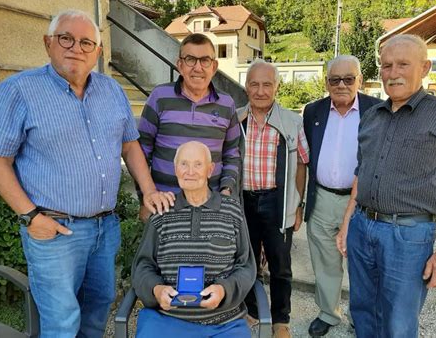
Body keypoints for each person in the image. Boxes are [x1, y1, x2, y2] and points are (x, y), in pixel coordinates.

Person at [0, 10, 160, 337]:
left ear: (98, 52)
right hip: (54, 231)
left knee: (98, 309)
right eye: (66, 39)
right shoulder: (19, 91)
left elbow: (130, 146)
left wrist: (149, 190)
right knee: (62, 323)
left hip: (105, 227)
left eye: (87, 42)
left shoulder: (112, 91)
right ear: (48, 43)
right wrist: (31, 217)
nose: (76, 48)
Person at [336, 34, 436, 337]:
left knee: (398, 321)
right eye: (386, 66)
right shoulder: (371, 116)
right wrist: (347, 223)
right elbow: (362, 172)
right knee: (363, 310)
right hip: (362, 227)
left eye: (402, 64)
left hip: (408, 236)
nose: (392, 72)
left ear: (424, 68)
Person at [132, 141, 256, 338]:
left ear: (210, 169)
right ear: (175, 169)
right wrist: (156, 290)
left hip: (224, 322)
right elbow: (143, 266)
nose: (190, 171)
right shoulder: (162, 212)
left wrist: (224, 291)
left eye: (198, 164)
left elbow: (246, 266)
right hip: (167, 320)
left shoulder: (232, 211)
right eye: (184, 164)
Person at [303, 55, 381, 336]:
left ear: (360, 80)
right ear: (327, 83)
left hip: (362, 201)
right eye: (335, 79)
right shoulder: (313, 111)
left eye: (349, 78)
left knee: (362, 263)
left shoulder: (377, 109)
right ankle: (328, 313)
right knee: (325, 261)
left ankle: (360, 317)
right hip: (322, 198)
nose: (342, 85)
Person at [237, 59, 310, 338]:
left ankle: (281, 319)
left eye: (267, 84)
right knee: (247, 261)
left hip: (277, 203)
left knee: (280, 265)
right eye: (254, 84)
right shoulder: (235, 120)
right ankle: (252, 311)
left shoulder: (292, 122)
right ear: (246, 87)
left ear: (277, 87)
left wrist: (299, 204)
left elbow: (303, 164)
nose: (260, 90)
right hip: (244, 202)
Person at [137, 33, 241, 220]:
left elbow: (232, 154)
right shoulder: (160, 97)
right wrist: (145, 196)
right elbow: (141, 151)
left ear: (214, 66)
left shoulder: (227, 104)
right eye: (190, 59)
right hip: (164, 206)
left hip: (211, 207)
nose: (198, 67)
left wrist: (226, 191)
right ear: (180, 65)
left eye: (205, 60)